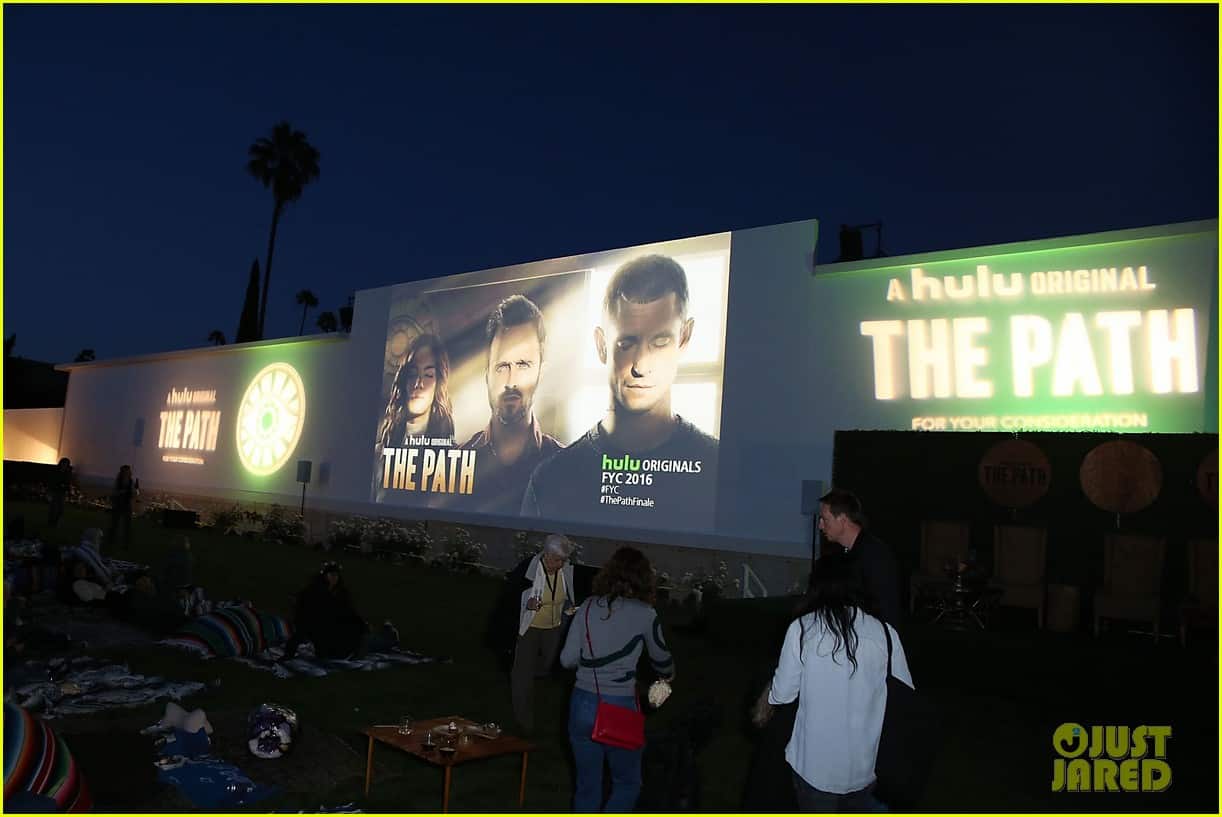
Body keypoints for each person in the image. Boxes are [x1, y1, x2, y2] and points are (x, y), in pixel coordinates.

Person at [522, 255, 718, 529]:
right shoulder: (550, 479)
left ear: (684, 338)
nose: (641, 365)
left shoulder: (718, 470)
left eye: (660, 342)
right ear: (601, 345)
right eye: (626, 343)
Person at [767, 552, 914, 812]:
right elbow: (905, 692)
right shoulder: (884, 633)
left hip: (813, 767)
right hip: (865, 767)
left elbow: (781, 695)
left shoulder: (802, 630)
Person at [560, 546, 675, 813]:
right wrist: (667, 676)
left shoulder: (587, 606)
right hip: (619, 705)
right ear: (644, 578)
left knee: (587, 786)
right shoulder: (646, 614)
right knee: (627, 783)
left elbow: (567, 660)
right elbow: (662, 660)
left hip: (580, 704)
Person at [459, 295, 562, 515]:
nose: (511, 381)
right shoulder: (457, 463)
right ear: (487, 375)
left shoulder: (564, 465)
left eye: (523, 365)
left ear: (540, 374)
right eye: (502, 366)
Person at [374, 333, 456, 501]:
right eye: (412, 374)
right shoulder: (379, 454)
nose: (419, 383)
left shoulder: (451, 457)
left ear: (438, 383)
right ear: (404, 380)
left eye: (428, 375)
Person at [510, 534, 577, 734]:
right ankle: (524, 722)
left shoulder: (565, 571)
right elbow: (512, 598)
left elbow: (568, 596)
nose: (560, 564)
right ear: (546, 555)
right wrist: (527, 604)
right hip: (529, 628)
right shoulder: (529, 571)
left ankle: (532, 673)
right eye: (557, 560)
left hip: (554, 628)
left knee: (551, 665)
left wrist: (570, 610)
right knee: (522, 675)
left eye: (563, 560)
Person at [818, 488, 902, 626]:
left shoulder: (875, 555)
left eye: (825, 519)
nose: (820, 525)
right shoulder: (843, 552)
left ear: (843, 519)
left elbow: (885, 611)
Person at [282, 562, 397, 660]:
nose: (334, 577)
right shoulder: (314, 594)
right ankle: (387, 635)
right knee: (365, 643)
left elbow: (350, 613)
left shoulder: (341, 594)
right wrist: (289, 653)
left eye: (336, 575)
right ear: (324, 575)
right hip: (328, 640)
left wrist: (362, 625)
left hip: (341, 634)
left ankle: (388, 635)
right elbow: (303, 624)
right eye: (331, 574)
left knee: (367, 641)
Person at [109, 465, 137, 549]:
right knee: (114, 523)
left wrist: (133, 493)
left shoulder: (131, 481)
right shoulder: (118, 481)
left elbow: (133, 493)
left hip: (126, 504)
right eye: (125, 471)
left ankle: (126, 543)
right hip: (118, 503)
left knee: (127, 525)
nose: (127, 473)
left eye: (128, 471)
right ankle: (111, 540)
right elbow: (114, 492)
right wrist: (121, 492)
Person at [47, 458, 72, 528]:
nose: (65, 465)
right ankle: (51, 522)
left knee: (61, 509)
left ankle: (56, 522)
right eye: (64, 463)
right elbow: (52, 481)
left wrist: (66, 488)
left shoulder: (67, 473)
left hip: (62, 492)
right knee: (53, 508)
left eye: (66, 464)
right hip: (55, 491)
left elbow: (68, 482)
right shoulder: (56, 471)